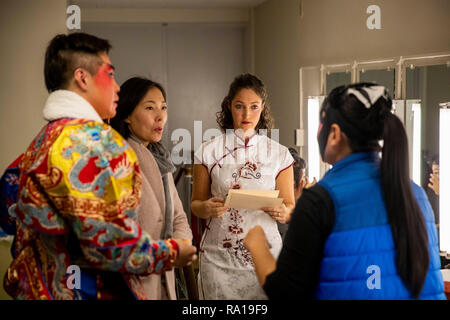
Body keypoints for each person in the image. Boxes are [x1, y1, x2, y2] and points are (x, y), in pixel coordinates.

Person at [3, 32, 197, 300]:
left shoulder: (44, 139)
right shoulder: (95, 143)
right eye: (110, 75)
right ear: (82, 78)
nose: (117, 87)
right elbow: (111, 246)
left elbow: (8, 208)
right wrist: (173, 254)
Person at [244, 83, 445, 299]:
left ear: (334, 134)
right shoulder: (416, 194)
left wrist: (257, 245)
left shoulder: (320, 201)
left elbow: (284, 293)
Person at [191, 73, 295, 299]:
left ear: (263, 107)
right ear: (229, 106)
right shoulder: (208, 151)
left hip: (266, 258)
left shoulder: (280, 154)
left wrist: (283, 211)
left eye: (254, 106)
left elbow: (290, 208)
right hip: (218, 259)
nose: (246, 114)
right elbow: (195, 205)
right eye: (239, 106)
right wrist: (206, 207)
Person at [110, 77, 193, 299]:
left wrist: (177, 247)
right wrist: (168, 253)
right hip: (134, 279)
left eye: (163, 107)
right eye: (150, 108)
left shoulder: (160, 157)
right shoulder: (119, 158)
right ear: (127, 115)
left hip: (164, 276)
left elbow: (179, 218)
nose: (160, 116)